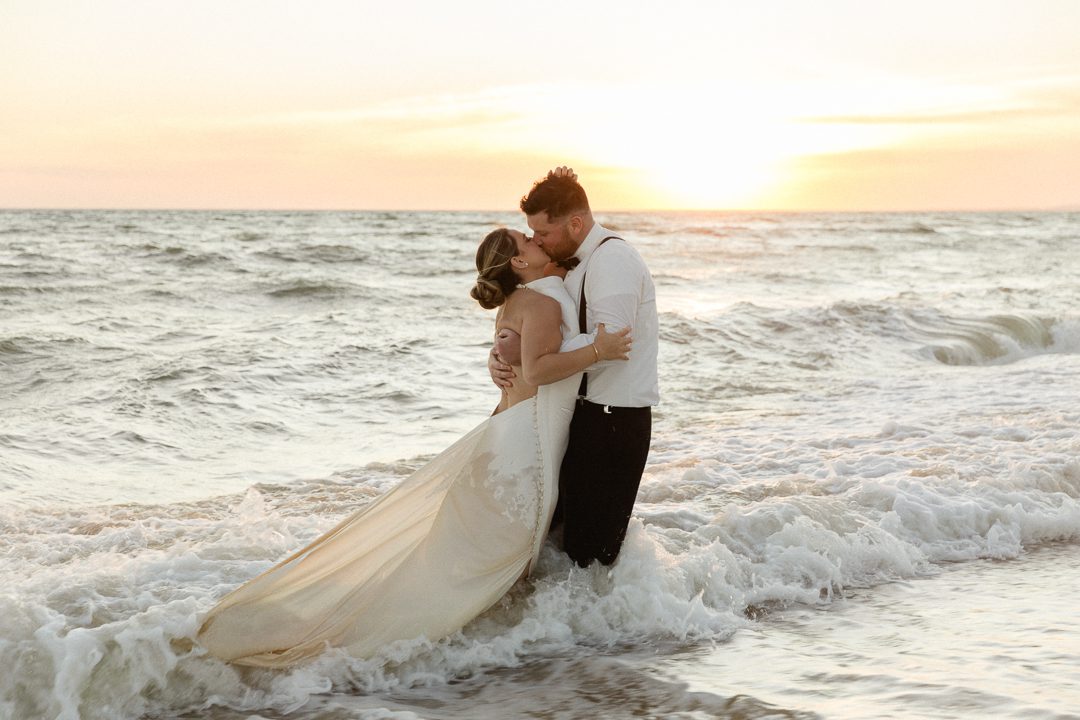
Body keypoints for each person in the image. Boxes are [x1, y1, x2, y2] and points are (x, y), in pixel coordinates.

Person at [196, 227, 630, 668]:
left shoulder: (520, 301)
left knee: (482, 548)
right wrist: (599, 349)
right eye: (526, 240)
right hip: (524, 443)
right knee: (507, 551)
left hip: (506, 432)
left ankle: (491, 645)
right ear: (518, 262)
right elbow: (536, 372)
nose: (535, 239)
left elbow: (520, 357)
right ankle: (476, 649)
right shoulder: (540, 302)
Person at [490, 168, 659, 568]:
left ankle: (613, 612)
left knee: (591, 557)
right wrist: (503, 353)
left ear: (576, 224)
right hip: (580, 418)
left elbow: (614, 344)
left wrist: (530, 360)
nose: (537, 241)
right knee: (557, 545)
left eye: (543, 233)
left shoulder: (613, 261)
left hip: (613, 423)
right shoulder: (569, 265)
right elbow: (548, 327)